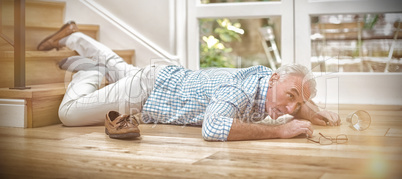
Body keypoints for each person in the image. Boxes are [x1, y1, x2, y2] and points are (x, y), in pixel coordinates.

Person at [37, 21, 340, 141]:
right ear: (274, 79)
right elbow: (213, 128)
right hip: (147, 93)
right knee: (69, 114)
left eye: (296, 103)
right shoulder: (241, 89)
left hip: (162, 79)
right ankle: (86, 70)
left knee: (120, 67)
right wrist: (280, 132)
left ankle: (75, 36)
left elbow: (295, 96)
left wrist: (312, 111)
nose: (291, 108)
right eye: (290, 97)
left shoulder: (272, 83)